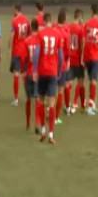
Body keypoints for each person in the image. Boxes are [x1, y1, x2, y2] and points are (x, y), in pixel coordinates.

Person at [32, 13, 63, 144]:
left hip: (42, 71)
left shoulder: (40, 34)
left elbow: (37, 53)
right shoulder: (57, 34)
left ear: (44, 22)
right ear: (52, 21)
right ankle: (51, 135)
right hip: (52, 71)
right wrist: (59, 70)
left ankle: (43, 132)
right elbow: (60, 55)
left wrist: (34, 70)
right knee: (51, 103)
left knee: (40, 100)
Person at [83, 3, 98, 115]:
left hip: (87, 55)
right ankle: (90, 107)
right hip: (95, 56)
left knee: (90, 80)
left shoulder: (87, 24)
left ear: (92, 11)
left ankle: (92, 103)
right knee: (94, 81)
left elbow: (84, 39)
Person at [8, 4, 30, 106]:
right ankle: (28, 96)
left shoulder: (14, 21)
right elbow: (29, 35)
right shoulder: (27, 20)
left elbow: (12, 36)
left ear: (16, 10)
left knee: (16, 74)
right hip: (25, 51)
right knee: (25, 74)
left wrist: (9, 49)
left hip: (17, 51)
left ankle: (16, 99)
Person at [23, 19, 41, 133]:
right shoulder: (40, 40)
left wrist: (22, 71)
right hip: (38, 74)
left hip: (29, 73)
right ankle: (37, 124)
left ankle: (28, 123)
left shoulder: (27, 41)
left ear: (31, 27)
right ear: (38, 28)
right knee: (38, 99)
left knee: (28, 99)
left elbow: (24, 58)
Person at [55, 8, 71, 124]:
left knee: (50, 92)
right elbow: (67, 52)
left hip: (51, 65)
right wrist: (68, 62)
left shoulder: (53, 31)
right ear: (65, 20)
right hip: (62, 65)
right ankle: (56, 117)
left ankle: (48, 110)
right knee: (60, 90)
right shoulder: (65, 34)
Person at [67, 8, 85, 114]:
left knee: (69, 82)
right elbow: (82, 43)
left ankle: (68, 103)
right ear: (79, 17)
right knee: (80, 80)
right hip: (78, 58)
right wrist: (82, 56)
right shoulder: (81, 28)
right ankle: (74, 102)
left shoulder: (68, 27)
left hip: (70, 57)